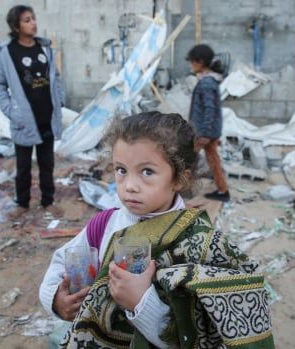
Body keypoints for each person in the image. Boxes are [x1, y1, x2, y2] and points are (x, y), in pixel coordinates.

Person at [39, 112, 274, 348]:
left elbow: (202, 337)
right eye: (121, 170)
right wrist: (56, 300)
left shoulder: (198, 241)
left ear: (180, 179)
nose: (130, 186)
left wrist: (142, 302)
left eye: (147, 172)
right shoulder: (103, 225)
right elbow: (62, 262)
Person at [0, 5, 65, 218]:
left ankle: (47, 201)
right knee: (23, 167)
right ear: (16, 26)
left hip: (47, 118)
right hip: (24, 121)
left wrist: (59, 99)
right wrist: (10, 111)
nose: (33, 23)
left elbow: (56, 77)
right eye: (26, 20)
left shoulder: (44, 49)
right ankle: (22, 203)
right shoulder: (6, 54)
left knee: (47, 164)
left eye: (33, 18)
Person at [186, 44, 230, 202]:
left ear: (200, 62)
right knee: (213, 160)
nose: (190, 65)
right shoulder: (209, 81)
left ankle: (178, 191)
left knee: (186, 159)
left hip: (204, 132)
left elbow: (210, 110)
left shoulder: (206, 83)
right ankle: (223, 190)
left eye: (192, 62)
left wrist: (204, 134)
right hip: (210, 131)